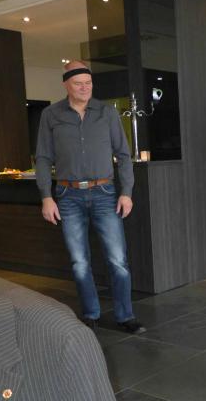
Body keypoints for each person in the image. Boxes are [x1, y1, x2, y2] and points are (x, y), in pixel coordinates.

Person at [35, 61, 144, 334]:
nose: (84, 88)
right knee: (79, 262)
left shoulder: (107, 112)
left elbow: (123, 154)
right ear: (66, 85)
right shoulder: (51, 114)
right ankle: (91, 313)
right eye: (78, 83)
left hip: (105, 192)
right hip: (67, 195)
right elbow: (43, 157)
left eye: (88, 83)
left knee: (118, 260)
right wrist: (46, 196)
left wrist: (126, 192)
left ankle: (125, 316)